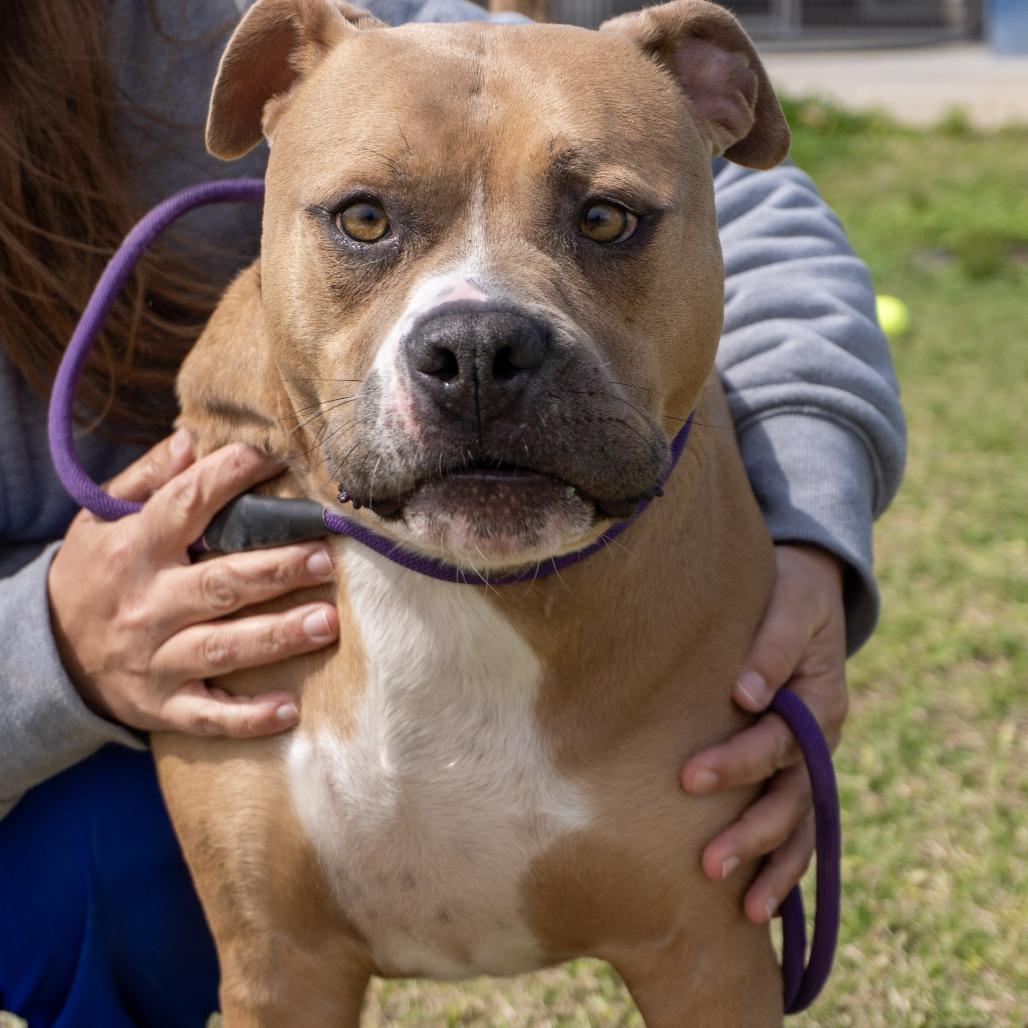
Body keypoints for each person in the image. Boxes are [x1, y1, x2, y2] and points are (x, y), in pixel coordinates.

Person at [0, 1, 906, 1025]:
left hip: (641, 634)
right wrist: (44, 647)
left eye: (603, 222)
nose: (473, 344)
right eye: (365, 221)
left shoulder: (255, 27)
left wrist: (813, 522)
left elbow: (760, 210)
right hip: (121, 700)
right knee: (113, 883)